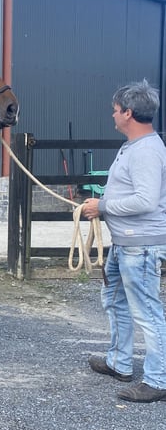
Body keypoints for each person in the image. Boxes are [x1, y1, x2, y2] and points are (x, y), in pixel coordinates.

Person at [83, 79, 166, 403]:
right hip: (126, 243)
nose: (113, 116)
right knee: (115, 301)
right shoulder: (136, 146)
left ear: (128, 113)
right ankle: (119, 361)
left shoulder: (146, 151)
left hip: (140, 245)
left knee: (147, 311)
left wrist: (101, 206)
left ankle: (158, 379)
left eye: (116, 111)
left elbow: (145, 201)